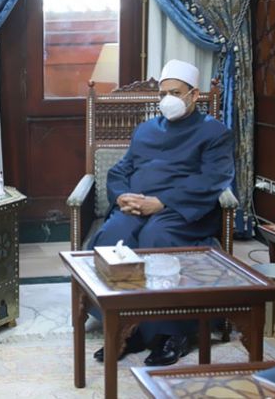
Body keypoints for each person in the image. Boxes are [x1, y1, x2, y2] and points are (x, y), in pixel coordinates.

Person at [88, 59, 235, 366]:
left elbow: (213, 179)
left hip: (182, 211)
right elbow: (121, 170)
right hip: (136, 207)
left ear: (194, 95)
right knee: (114, 236)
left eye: (175, 93)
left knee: (156, 237)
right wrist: (122, 196)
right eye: (163, 93)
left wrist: (162, 202)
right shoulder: (146, 130)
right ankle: (127, 326)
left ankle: (172, 333)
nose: (167, 99)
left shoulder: (215, 133)